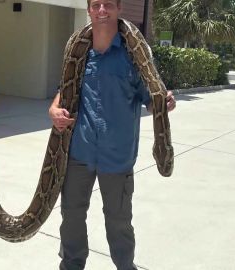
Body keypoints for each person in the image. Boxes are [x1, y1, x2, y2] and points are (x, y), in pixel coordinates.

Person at [48, 0, 176, 269]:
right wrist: (53, 108)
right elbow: (65, 90)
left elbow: (150, 98)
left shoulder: (135, 55)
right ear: (89, 10)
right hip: (78, 153)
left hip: (117, 156)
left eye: (108, 4)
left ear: (119, 9)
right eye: (96, 5)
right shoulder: (78, 52)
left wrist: (162, 103)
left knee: (118, 222)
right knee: (71, 217)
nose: (102, 10)